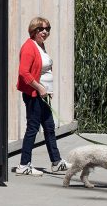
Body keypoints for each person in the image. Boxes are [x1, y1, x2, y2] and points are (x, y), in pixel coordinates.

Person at [14, 16, 68, 176]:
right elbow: (23, 72)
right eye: (41, 29)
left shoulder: (40, 45)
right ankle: (24, 165)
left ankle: (56, 162)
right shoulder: (29, 47)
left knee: (49, 127)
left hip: (43, 95)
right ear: (33, 31)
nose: (44, 32)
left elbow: (43, 70)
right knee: (32, 128)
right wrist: (39, 87)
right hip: (33, 95)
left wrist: (46, 89)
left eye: (47, 29)